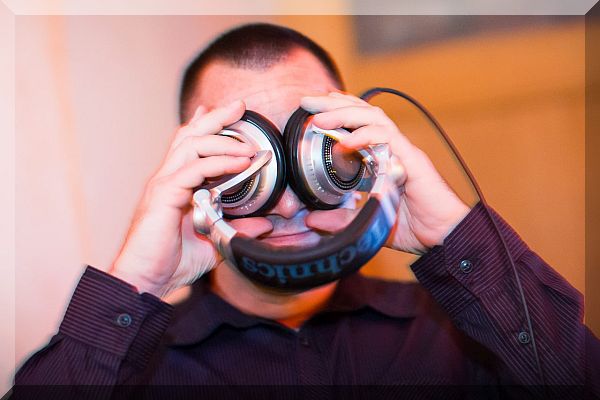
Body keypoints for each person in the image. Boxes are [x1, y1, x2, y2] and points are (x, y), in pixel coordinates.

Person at [12, 23, 599, 399]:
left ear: (360, 148)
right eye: (243, 165)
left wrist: (452, 236)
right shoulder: (136, 370)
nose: (289, 201)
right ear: (194, 170)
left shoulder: (454, 333)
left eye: (316, 155)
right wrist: (139, 283)